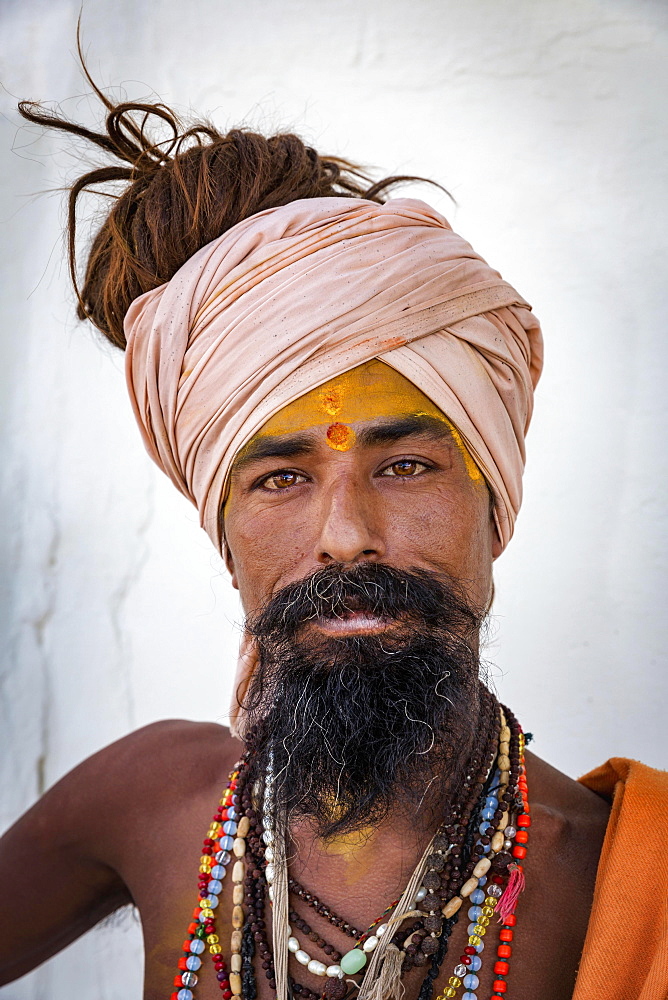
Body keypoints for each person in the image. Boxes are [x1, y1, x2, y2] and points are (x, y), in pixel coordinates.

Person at [1, 77, 666, 1000]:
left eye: (406, 467)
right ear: (223, 532)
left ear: (494, 502)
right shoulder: (152, 802)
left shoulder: (632, 876)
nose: (346, 538)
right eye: (280, 479)